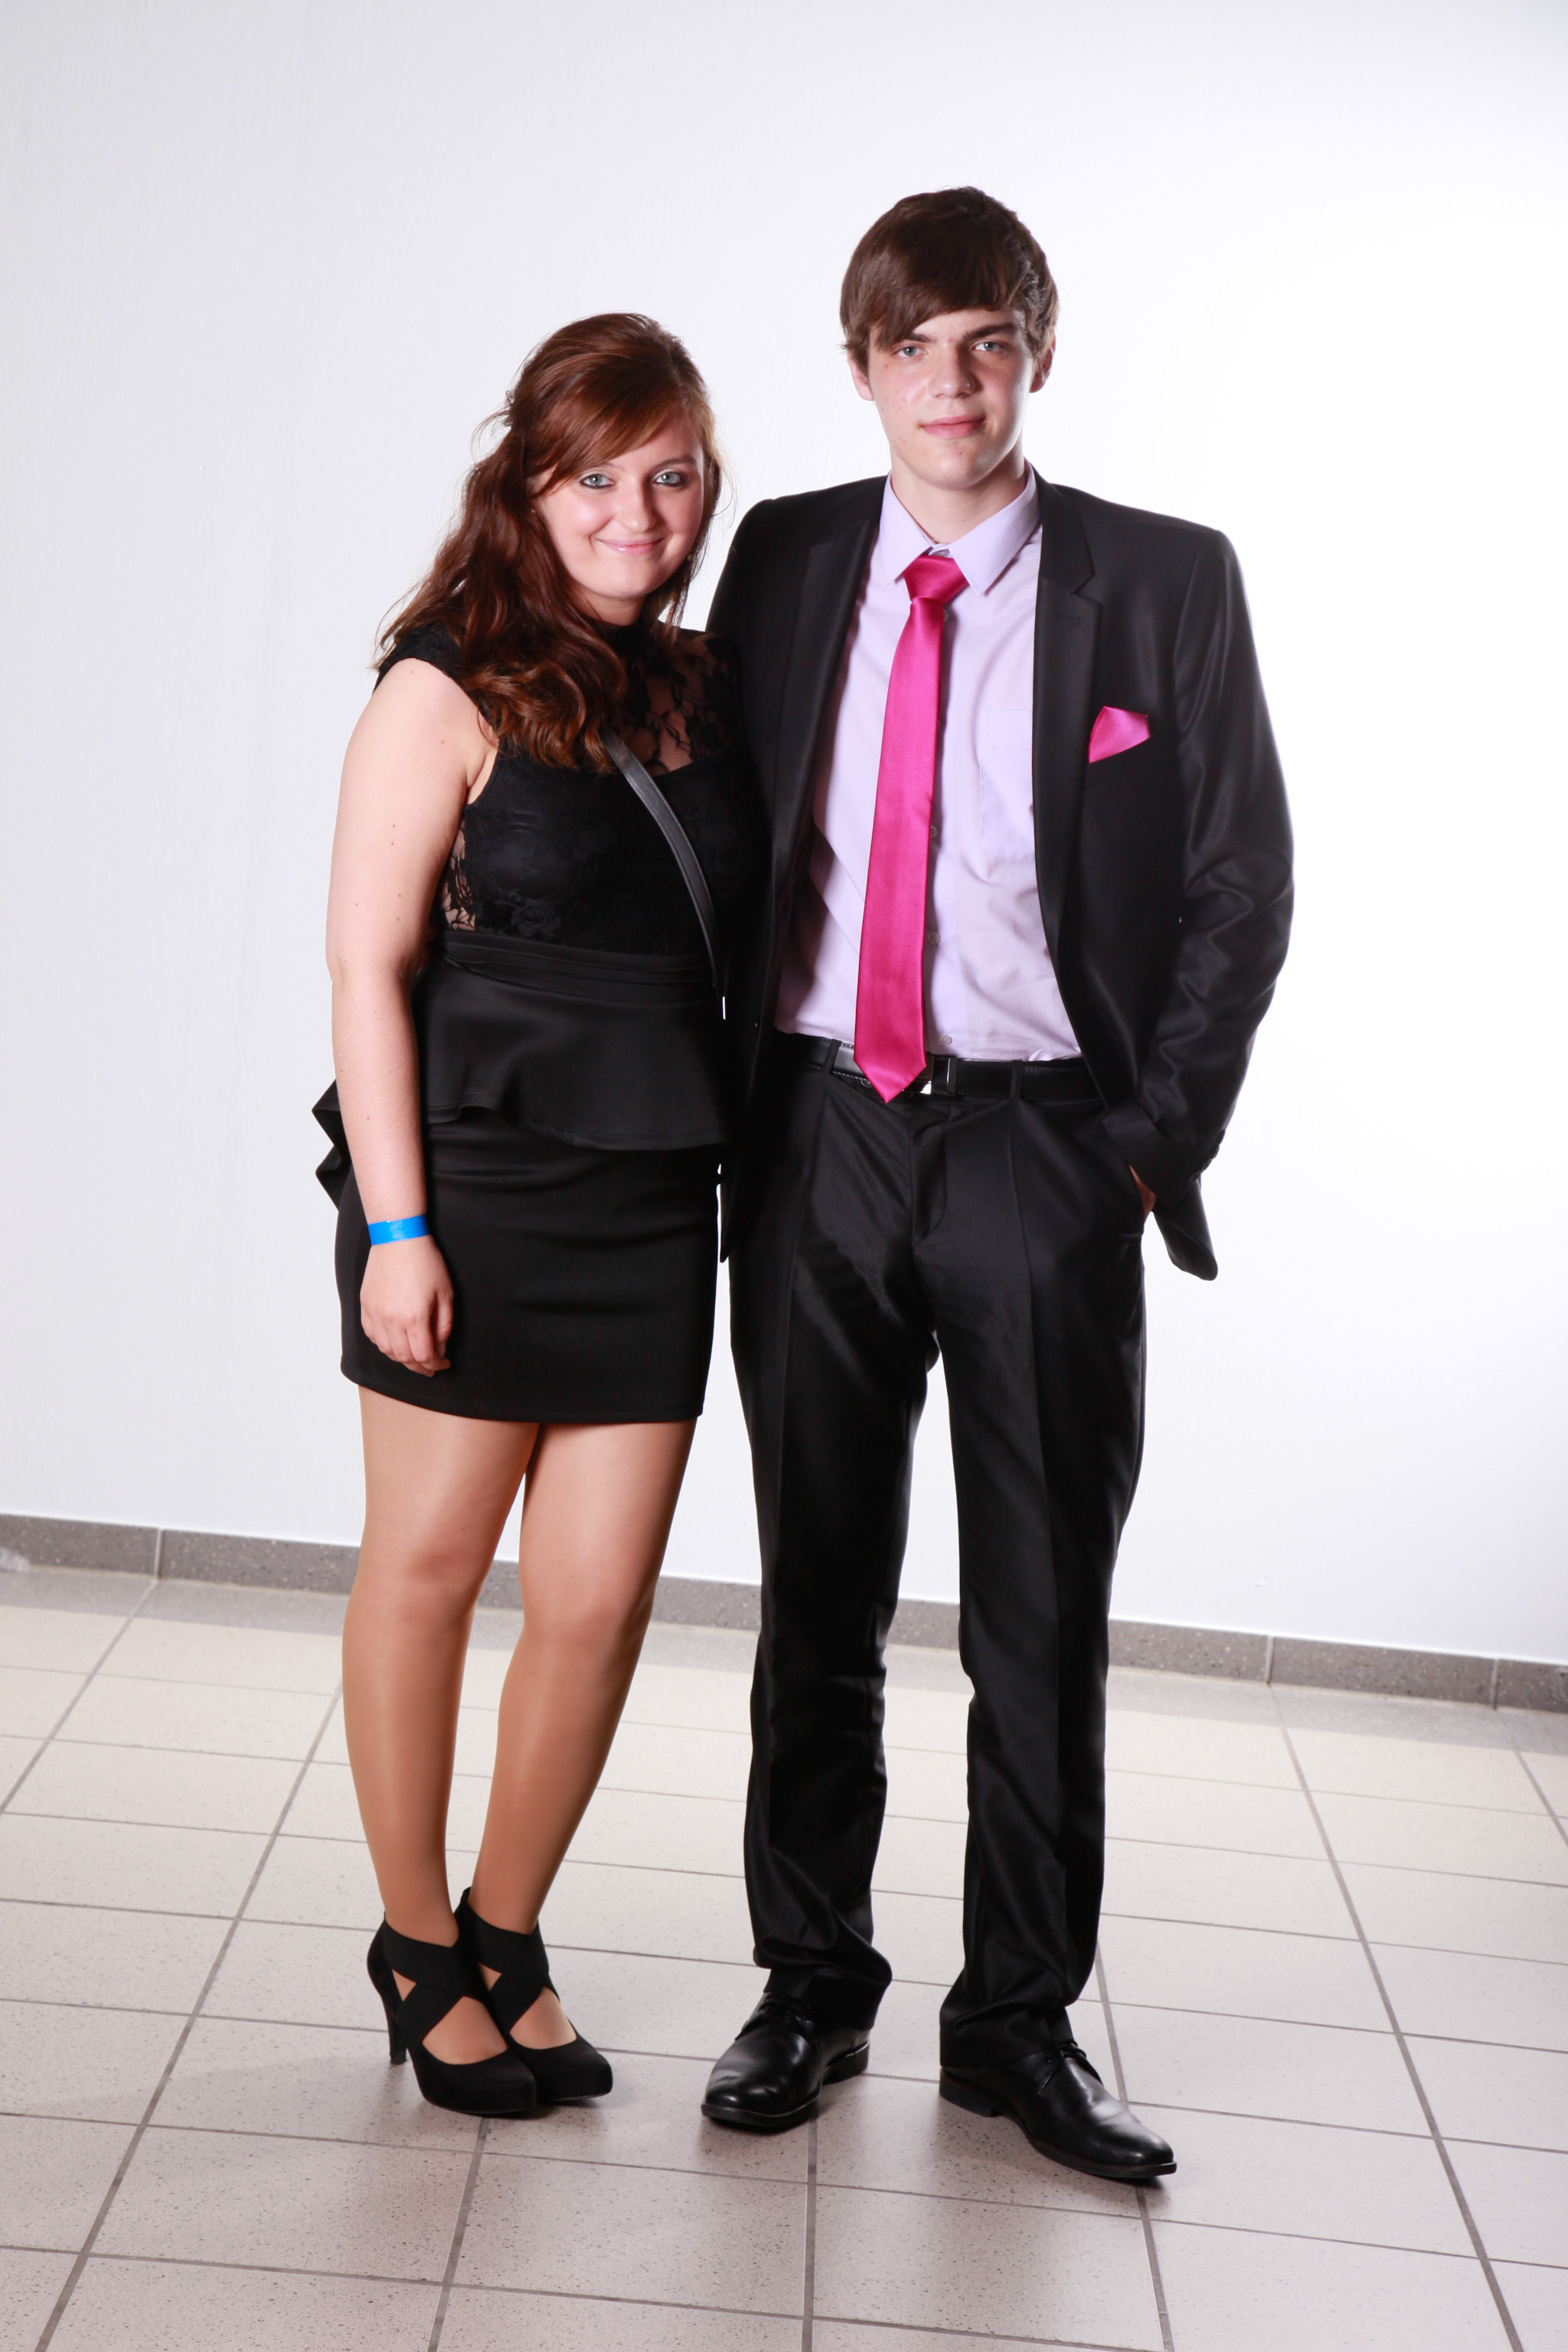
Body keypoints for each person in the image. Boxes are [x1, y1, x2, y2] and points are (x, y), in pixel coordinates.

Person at [700, 188, 1293, 2180]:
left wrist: (1141, 1147)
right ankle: (811, 1982)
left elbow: (1240, 878)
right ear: (860, 365)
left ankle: (1016, 2023)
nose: (949, 382)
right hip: (819, 1135)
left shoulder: (1162, 580)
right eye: (913, 346)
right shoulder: (784, 558)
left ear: (1037, 354)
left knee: (1038, 1616)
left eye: (986, 342)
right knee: (817, 1594)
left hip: (1044, 1147)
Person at [322, 314, 762, 2117]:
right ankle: (416, 1941)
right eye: (597, 477)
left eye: (671, 477)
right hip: (475, 1183)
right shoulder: (441, 687)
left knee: (593, 1602)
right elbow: (366, 967)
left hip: (655, 1187)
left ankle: (508, 1932)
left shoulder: (704, 688)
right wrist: (397, 1233)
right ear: (528, 484)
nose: (636, 513)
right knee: (427, 1571)